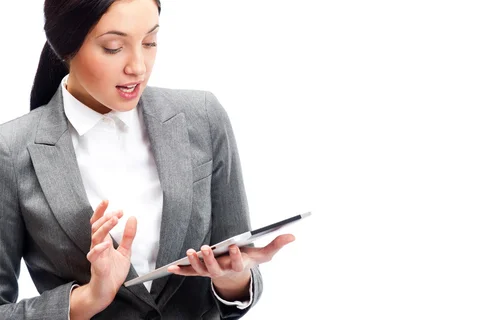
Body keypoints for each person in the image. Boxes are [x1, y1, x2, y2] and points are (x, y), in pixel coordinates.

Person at [0, 0, 295, 319]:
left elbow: (235, 263)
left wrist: (234, 280)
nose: (138, 67)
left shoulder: (203, 117)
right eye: (113, 47)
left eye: (150, 42)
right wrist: (85, 300)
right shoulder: (12, 150)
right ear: (65, 45)